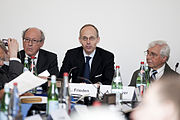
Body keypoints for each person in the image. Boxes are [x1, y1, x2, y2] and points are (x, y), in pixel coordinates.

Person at [18, 27, 59, 92]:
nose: (30, 44)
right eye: (27, 39)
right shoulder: (17, 57)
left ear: (41, 43)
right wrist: (38, 80)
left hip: (41, 96)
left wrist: (38, 81)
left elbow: (56, 82)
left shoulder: (50, 57)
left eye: (34, 40)